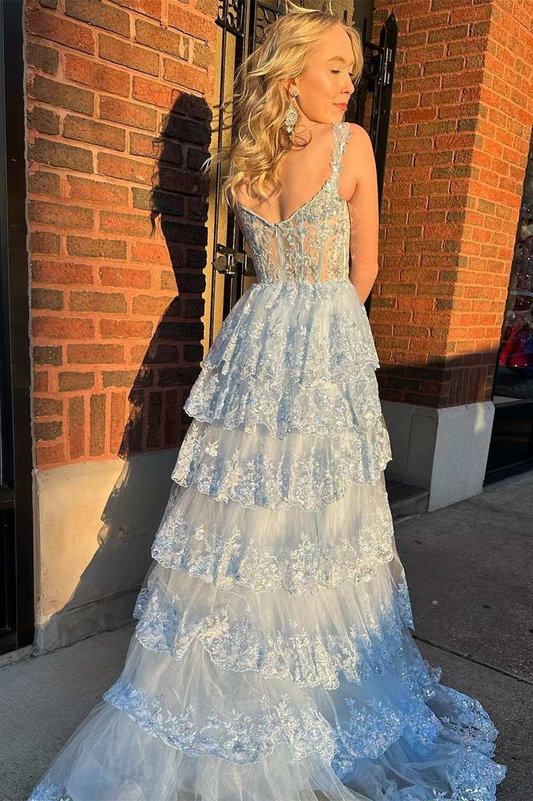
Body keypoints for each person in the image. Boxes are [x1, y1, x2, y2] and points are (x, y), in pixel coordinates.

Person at [28, 4, 507, 800]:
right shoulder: (350, 147)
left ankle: (244, 667)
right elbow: (365, 268)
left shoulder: (243, 162)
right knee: (309, 509)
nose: (347, 85)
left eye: (352, 72)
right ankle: (300, 676)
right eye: (334, 68)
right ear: (290, 73)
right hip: (318, 334)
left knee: (244, 508)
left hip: (257, 335)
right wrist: (334, 340)